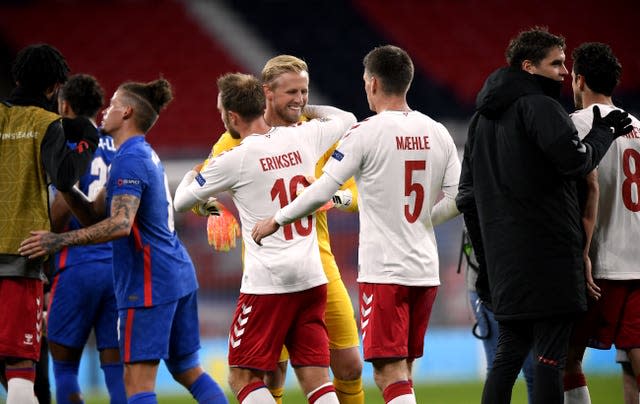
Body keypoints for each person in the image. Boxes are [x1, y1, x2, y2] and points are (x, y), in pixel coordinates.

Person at [252, 45, 462, 404]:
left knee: (386, 371)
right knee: (404, 369)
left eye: (365, 82)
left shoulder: (366, 132)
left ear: (373, 83)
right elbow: (460, 196)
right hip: (426, 270)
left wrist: (278, 217)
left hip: (384, 272)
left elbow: (322, 190)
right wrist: (424, 223)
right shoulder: (438, 131)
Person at [18, 78, 228, 404]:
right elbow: (95, 214)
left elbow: (119, 225)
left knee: (137, 383)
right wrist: (65, 185)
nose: (105, 111)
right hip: (177, 275)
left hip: (149, 283)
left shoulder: (129, 160)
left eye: (113, 104)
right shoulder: (134, 155)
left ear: (127, 111)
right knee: (188, 370)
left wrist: (58, 241)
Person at [455, 27, 633, 404]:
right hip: (549, 260)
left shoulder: (480, 119)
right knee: (550, 359)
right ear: (528, 66)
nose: (565, 72)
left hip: (505, 266)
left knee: (506, 359)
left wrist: (487, 260)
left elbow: (466, 196)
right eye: (556, 63)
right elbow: (574, 162)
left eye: (566, 64)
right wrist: (602, 132)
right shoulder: (541, 107)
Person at [174, 72, 356, 404]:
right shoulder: (304, 136)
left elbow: (182, 201)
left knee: (243, 376)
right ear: (264, 101)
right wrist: (306, 109)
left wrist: (191, 176)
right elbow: (346, 118)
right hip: (312, 277)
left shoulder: (234, 158)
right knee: (315, 375)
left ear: (231, 116)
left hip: (269, 284)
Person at [0, 43, 99, 404]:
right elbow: (64, 177)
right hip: (18, 258)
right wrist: (86, 141)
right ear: (55, 88)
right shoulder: (47, 125)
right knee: (20, 367)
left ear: (16, 78)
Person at [562, 42, 640, 404]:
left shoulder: (575, 125)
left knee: (567, 357)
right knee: (634, 359)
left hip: (597, 263)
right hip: (637, 263)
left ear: (578, 80)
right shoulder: (638, 127)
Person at [46, 73, 126, 403]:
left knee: (64, 369)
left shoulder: (66, 145)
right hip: (117, 269)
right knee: (115, 370)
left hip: (75, 266)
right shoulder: (121, 146)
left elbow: (60, 211)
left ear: (64, 105)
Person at [459, 227, 535, 403]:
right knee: (507, 368)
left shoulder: (472, 202)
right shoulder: (479, 203)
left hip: (509, 289)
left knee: (529, 370)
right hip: (489, 290)